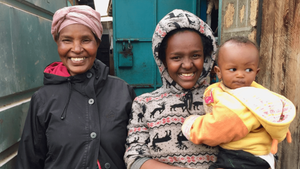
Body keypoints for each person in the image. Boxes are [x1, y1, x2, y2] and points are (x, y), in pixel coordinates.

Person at [17, 5, 136, 169]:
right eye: (67, 40)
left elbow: (139, 152)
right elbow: (29, 160)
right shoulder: (42, 99)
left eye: (86, 40)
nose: (77, 49)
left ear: (98, 42)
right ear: (57, 42)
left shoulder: (122, 92)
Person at [182, 36, 296, 169]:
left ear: (256, 72)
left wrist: (191, 125)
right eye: (233, 69)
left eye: (248, 70)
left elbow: (216, 130)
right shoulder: (251, 92)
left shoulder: (240, 104)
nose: (240, 75)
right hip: (253, 155)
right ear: (218, 72)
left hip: (245, 157)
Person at [124, 9, 219, 169]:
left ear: (207, 56)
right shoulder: (144, 104)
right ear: (162, 60)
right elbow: (134, 159)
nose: (188, 65)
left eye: (195, 55)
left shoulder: (221, 98)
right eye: (176, 57)